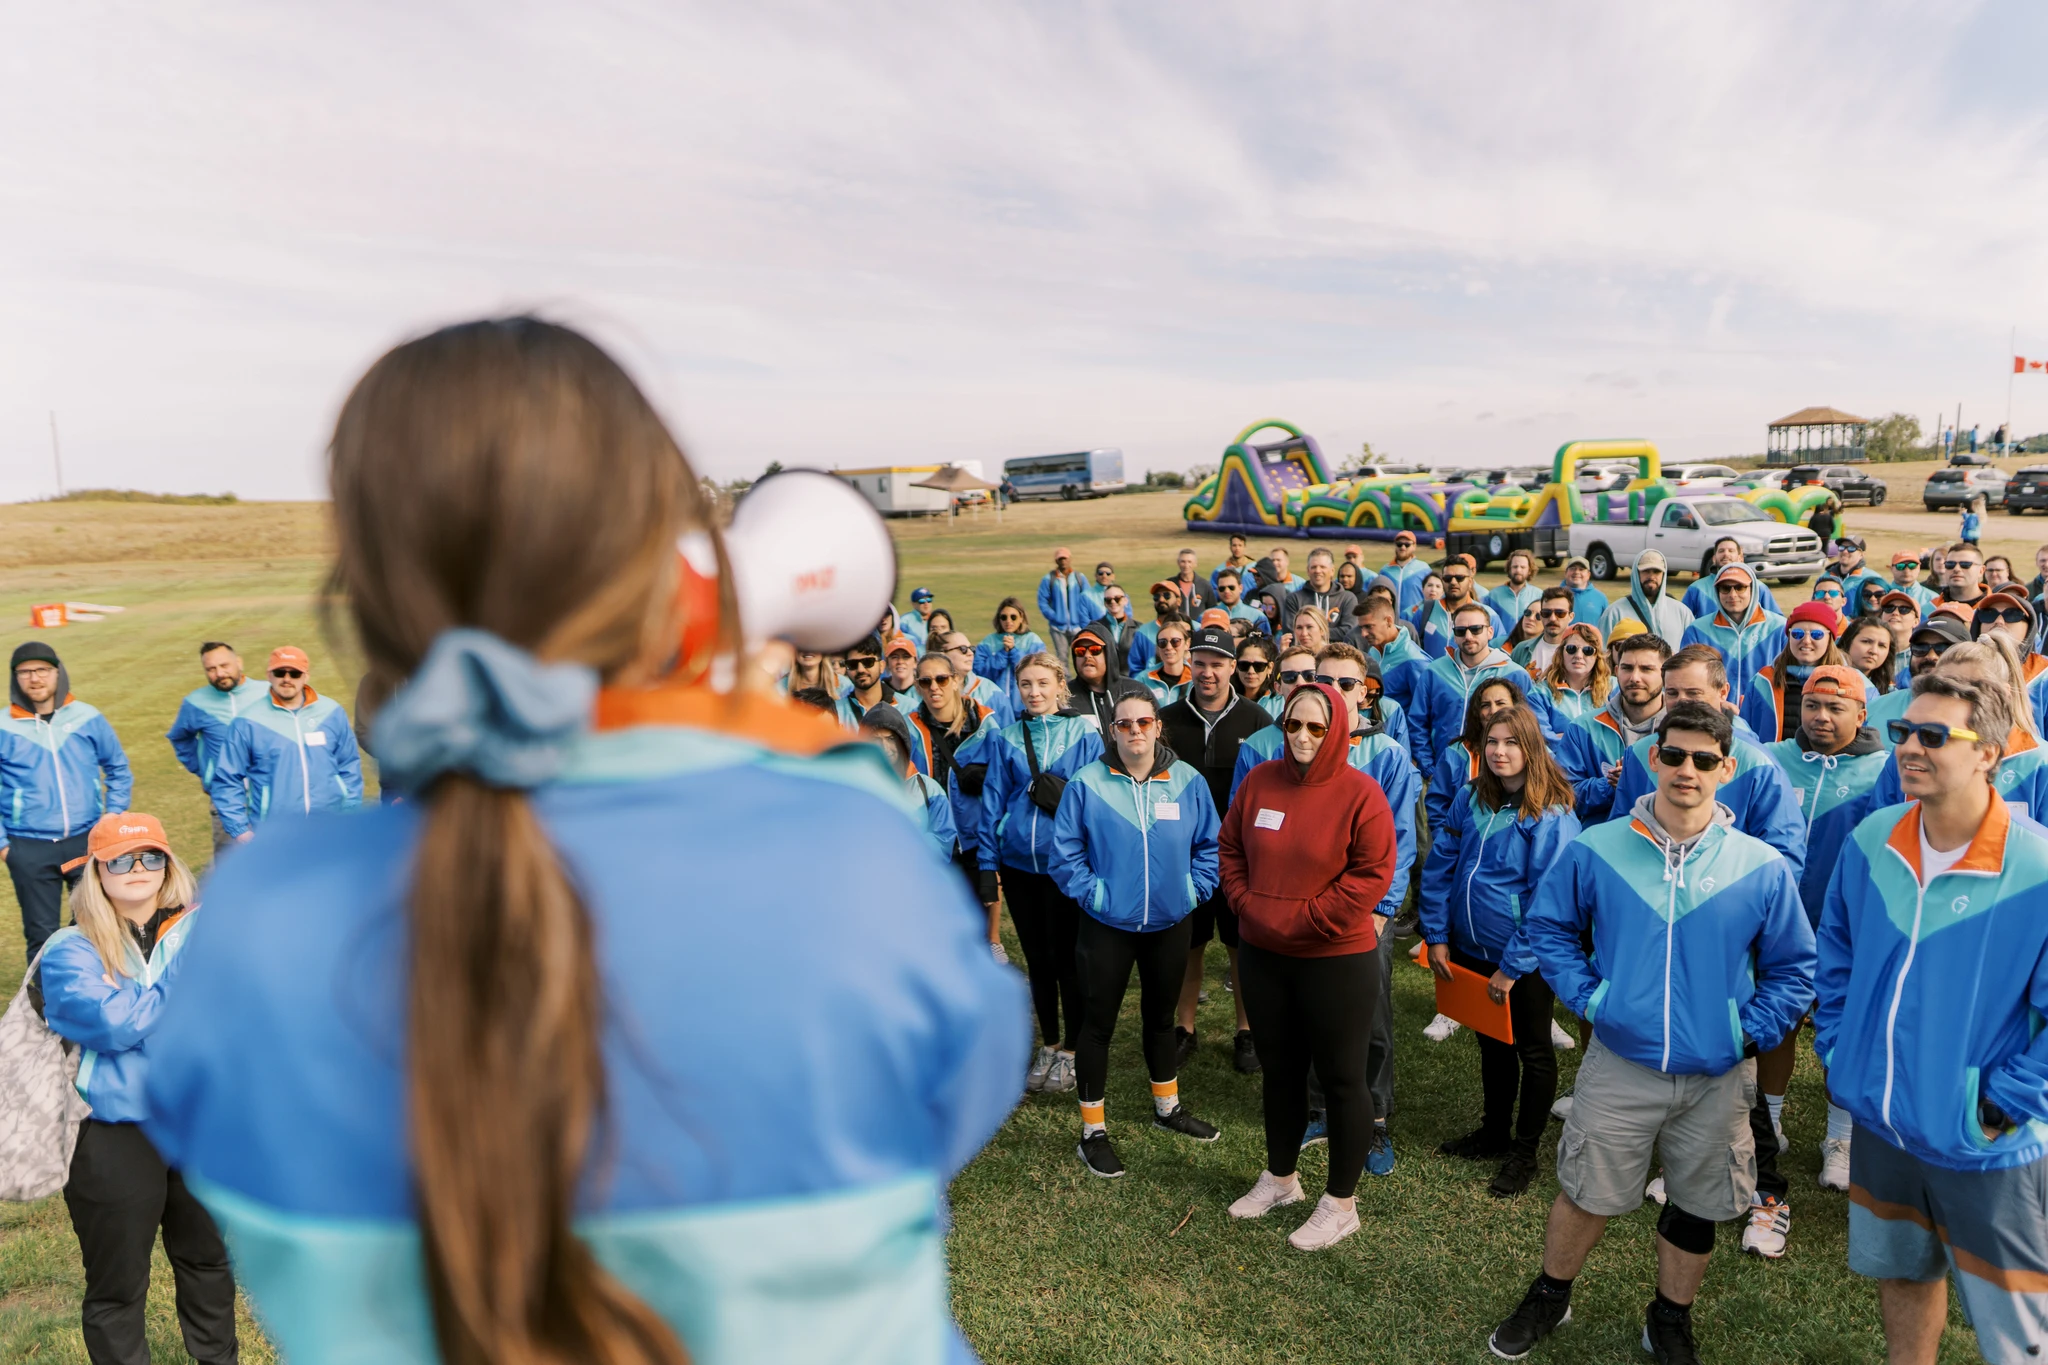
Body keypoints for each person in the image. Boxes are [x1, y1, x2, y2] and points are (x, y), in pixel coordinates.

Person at [142, 319, 1026, 1363]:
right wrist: (741, 730)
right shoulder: (851, 851)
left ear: (369, 583)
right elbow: (959, 1090)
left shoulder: (257, 920)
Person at [1490, 702, 1814, 1364]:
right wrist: (1591, 998)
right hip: (1621, 1061)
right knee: (1586, 1190)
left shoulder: (1761, 865)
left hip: (1717, 1072)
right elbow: (1550, 927)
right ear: (1653, 758)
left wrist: (1745, 1032)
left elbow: (1794, 967)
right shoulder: (1598, 846)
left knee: (1697, 1203)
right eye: (1673, 754)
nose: (1686, 769)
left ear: (1726, 768)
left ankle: (1669, 1317)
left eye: (1703, 758)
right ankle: (1551, 1295)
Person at [1814, 673, 2048, 1365]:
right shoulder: (1872, 838)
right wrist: (1842, 1049)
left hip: (1982, 1142)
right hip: (1882, 1124)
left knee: (2020, 1328)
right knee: (1904, 1274)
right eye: (1904, 731)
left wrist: (2000, 1105)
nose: (1909, 747)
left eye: (1933, 735)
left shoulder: (2037, 866)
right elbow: (1836, 954)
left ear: (1988, 754)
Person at [36, 813, 238, 1365]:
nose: (137, 868)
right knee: (119, 1284)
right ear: (97, 872)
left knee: (208, 1262)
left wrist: (136, 1007)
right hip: (113, 1131)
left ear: (168, 865)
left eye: (151, 856)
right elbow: (111, 1025)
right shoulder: (69, 947)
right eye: (121, 860)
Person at [1220, 682, 1397, 1250]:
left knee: (1343, 1079)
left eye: (1316, 728)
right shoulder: (1259, 781)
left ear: (1336, 730)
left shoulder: (1361, 793)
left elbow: (1372, 873)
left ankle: (1340, 1204)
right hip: (1264, 956)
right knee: (1280, 1071)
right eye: (1292, 724)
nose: (1301, 736)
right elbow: (1230, 849)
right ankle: (1281, 1180)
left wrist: (1306, 920)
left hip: (1334, 958)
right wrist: (1246, 904)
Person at [1050, 690, 1223, 1177]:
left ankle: (1167, 1109)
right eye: (1124, 724)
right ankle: (1092, 1132)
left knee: (1162, 1020)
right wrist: (1097, 896)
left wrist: (1191, 890)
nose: (1134, 731)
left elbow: (1211, 845)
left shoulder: (1187, 781)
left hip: (1170, 922)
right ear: (1113, 731)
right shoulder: (1087, 783)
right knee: (1097, 1026)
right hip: (1107, 925)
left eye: (1143, 722)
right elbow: (1065, 853)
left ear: (1157, 726)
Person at [1421, 705, 1580, 1198]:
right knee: (1492, 1042)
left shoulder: (1550, 813)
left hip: (1525, 958)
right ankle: (1494, 1132)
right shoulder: (1470, 797)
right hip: (1471, 947)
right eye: (1492, 741)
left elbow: (1550, 900)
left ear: (1531, 747)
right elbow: (1440, 866)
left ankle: (1524, 1152)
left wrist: (1512, 967)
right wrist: (1437, 935)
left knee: (1533, 1049)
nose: (1499, 751)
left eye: (1511, 742)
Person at [976, 654, 1103, 1096]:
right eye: (1026, 684)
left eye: (1042, 683)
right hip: (1018, 866)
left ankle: (1072, 1050)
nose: (1034, 692)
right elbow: (992, 803)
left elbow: (1095, 800)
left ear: (1060, 685)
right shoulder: (1006, 738)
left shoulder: (1084, 734)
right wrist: (988, 866)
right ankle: (1048, 1044)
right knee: (1038, 961)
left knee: (1068, 959)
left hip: (1064, 867)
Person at [1161, 627, 1273, 1072]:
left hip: (1239, 856)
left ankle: (1246, 1030)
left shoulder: (1257, 719)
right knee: (1188, 944)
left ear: (1232, 668)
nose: (1207, 672)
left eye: (1217, 664)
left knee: (1239, 945)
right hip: (1183, 855)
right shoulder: (1167, 718)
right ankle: (1184, 1027)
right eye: (1200, 663)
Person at [1611, 646, 1808, 882]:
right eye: (1672, 693)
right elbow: (1620, 830)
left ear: (1723, 692)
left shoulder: (1759, 763)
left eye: (1693, 693)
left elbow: (1783, 856)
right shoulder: (1640, 754)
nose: (1682, 702)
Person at [2, 642, 134, 962]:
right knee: (42, 936)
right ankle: (44, 995)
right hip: (28, 846)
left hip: (86, 839)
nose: (35, 678)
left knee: (97, 926)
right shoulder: (4, 726)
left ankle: (100, 988)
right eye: (25, 672)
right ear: (15, 678)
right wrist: (4, 846)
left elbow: (117, 767)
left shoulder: (87, 717)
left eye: (42, 670)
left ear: (57, 673)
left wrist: (113, 814)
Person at [208, 646, 364, 842]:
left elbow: (349, 765)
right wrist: (240, 830)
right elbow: (227, 779)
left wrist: (350, 810)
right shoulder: (247, 722)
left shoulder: (331, 713)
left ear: (306, 676)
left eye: (295, 673)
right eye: (280, 672)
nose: (287, 679)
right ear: (269, 675)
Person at [907, 650, 1001, 915]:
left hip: (975, 844)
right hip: (931, 842)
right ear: (917, 686)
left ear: (957, 680)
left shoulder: (985, 725)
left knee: (976, 923)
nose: (934, 687)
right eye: (925, 681)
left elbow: (1000, 790)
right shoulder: (910, 728)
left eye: (941, 679)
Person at [1409, 602, 1547, 779]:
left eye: (1476, 629)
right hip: (1444, 773)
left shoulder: (1514, 674)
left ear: (1490, 632)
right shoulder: (1434, 671)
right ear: (1454, 635)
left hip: (1499, 775)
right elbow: (1418, 722)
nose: (1468, 636)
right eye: (1461, 631)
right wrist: (1429, 768)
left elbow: (1530, 726)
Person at [1557, 631, 1670, 822]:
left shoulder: (1681, 732)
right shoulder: (1582, 728)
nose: (1635, 677)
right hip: (1601, 837)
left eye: (1646, 669)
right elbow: (1562, 794)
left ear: (1665, 674)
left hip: (1663, 837)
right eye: (1627, 668)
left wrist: (1641, 781)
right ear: (1616, 671)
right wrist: (1609, 785)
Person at [165, 641, 266, 851]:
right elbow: (180, 737)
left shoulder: (267, 693)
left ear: (239, 662)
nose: (219, 674)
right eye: (211, 669)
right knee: (230, 863)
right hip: (225, 800)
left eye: (224, 665)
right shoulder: (195, 703)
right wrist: (205, 771)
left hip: (269, 794)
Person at [1740, 601, 1856, 745]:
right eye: (1797, 634)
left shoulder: (1851, 684)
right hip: (1773, 758)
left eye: (1816, 635)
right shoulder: (1763, 682)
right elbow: (1744, 735)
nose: (1806, 641)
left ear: (1830, 639)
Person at [860, 704, 956, 862]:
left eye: (891, 738)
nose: (884, 747)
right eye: (875, 739)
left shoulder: (929, 789)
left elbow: (943, 840)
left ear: (903, 741)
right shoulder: (856, 787)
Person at [1679, 563, 1786, 697]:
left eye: (1740, 587)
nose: (1732, 594)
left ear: (1752, 589)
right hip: (1713, 709)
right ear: (1717, 591)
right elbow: (1685, 678)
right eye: (1725, 588)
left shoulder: (1780, 628)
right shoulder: (1697, 630)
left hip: (1766, 707)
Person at [1969, 588, 2048, 734]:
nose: (1999, 622)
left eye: (2012, 615)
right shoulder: (1960, 668)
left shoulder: (2044, 674)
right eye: (1989, 614)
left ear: (2029, 626)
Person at [1599, 549, 1693, 650]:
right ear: (1636, 573)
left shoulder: (1682, 613)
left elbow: (1693, 653)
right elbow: (1603, 653)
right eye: (1646, 571)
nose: (1651, 577)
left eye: (1657, 571)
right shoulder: (1614, 613)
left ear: (1663, 574)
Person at [1065, 625, 1150, 732]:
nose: (1087, 656)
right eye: (1080, 651)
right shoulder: (1065, 697)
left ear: (1109, 653)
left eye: (1095, 650)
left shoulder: (1137, 691)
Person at [974, 598, 1048, 711]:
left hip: (1025, 705)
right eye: (1004, 617)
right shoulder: (989, 641)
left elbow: (1037, 671)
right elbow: (979, 672)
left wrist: (1014, 651)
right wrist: (1002, 654)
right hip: (994, 706)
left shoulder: (1032, 640)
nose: (1008, 621)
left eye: (1013, 617)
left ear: (1021, 617)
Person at [1680, 538, 1782, 619]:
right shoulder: (1696, 588)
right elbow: (1682, 620)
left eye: (1731, 551)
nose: (1726, 554)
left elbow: (1777, 621)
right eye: (1721, 551)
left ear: (1740, 558)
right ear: (1714, 559)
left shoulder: (1758, 587)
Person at [1537, 622, 1611, 726]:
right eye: (1571, 649)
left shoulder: (1614, 688)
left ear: (1597, 656)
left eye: (1588, 650)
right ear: (1561, 653)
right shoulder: (1541, 692)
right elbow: (1540, 732)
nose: (1579, 656)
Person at [1284, 548, 1358, 643]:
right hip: (1304, 651)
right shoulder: (1294, 599)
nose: (1318, 571)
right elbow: (1291, 633)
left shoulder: (1347, 598)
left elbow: (1349, 631)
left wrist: (1316, 633)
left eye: (1322, 567)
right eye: (1313, 567)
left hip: (1338, 651)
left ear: (1332, 571)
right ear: (1308, 570)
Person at [939, 630, 1014, 724]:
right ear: (942, 654)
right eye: (963, 649)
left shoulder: (992, 693)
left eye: (972, 649)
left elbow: (1008, 731)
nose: (970, 653)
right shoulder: (927, 691)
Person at [1037, 548, 1092, 666]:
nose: (1063, 561)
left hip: (1078, 626)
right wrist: (1054, 616)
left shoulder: (1079, 578)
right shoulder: (1049, 579)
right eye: (1060, 559)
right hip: (1058, 627)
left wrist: (1083, 618)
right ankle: (1065, 678)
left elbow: (1088, 599)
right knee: (1062, 657)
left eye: (1065, 558)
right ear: (1056, 561)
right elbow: (1042, 601)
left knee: (1081, 655)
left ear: (1070, 559)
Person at [1125, 581, 1187, 677]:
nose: (1161, 599)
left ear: (1178, 600)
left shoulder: (1193, 627)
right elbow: (1135, 669)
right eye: (1156, 597)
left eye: (1167, 595)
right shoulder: (1143, 632)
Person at [1510, 587, 1576, 674]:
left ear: (1571, 617)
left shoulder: (1581, 653)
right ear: (1541, 616)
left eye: (1560, 613)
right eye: (1546, 613)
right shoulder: (1521, 650)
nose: (1552, 618)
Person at [1080, 585, 1138, 676]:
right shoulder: (1094, 628)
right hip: (1104, 679)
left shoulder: (1138, 628)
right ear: (1105, 603)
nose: (1113, 602)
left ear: (1125, 600)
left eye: (1117, 599)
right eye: (1108, 600)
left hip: (1132, 680)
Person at [1372, 530, 1431, 614]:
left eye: (1407, 545)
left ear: (1414, 546)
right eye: (1399, 544)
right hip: (1389, 618)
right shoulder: (1385, 571)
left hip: (1415, 618)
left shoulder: (1424, 569)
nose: (1403, 547)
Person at [1837, 615, 1897, 696]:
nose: (1874, 651)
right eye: (1866, 642)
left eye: (1881, 646)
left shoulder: (1890, 693)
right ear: (1848, 642)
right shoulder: (1825, 677)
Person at [1140, 617, 1194, 704]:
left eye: (1175, 641)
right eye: (1162, 642)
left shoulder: (1195, 679)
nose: (1169, 647)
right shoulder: (1143, 679)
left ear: (1187, 644)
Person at [1876, 591, 1924, 689]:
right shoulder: (1870, 650)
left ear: (1916, 622)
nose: (1895, 613)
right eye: (1889, 608)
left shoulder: (1923, 655)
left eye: (1904, 609)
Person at [1484, 549, 1542, 625]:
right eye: (1515, 566)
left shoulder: (1539, 595)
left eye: (1522, 567)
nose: (1518, 570)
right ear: (1509, 569)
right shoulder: (1493, 596)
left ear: (1529, 570)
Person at [1232, 636, 1278, 714]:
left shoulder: (1281, 703)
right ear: (1235, 666)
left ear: (1270, 667)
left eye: (1258, 666)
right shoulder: (1225, 700)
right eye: (1244, 665)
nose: (1251, 671)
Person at [1167, 547, 1217, 618]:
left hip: (1198, 625)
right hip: (1175, 624)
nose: (1186, 565)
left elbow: (1212, 610)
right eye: (1183, 561)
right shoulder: (1170, 584)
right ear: (1178, 563)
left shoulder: (1205, 585)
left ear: (1195, 564)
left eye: (1189, 562)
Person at [1941, 539, 1989, 609]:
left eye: (1965, 564)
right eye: (1950, 564)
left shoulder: (1997, 608)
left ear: (1981, 571)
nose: (1956, 569)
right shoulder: (1930, 609)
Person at [1562, 555, 1608, 625]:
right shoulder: (1554, 595)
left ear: (1588, 575)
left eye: (1581, 569)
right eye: (1572, 568)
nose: (1576, 572)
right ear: (1566, 573)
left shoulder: (1600, 598)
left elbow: (1606, 626)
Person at [1887, 551, 1936, 615]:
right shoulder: (1880, 595)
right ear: (1891, 569)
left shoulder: (1932, 599)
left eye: (1912, 566)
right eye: (1900, 566)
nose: (1906, 570)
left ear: (1919, 568)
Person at [881, 632, 921, 706]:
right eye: (894, 657)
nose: (900, 661)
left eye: (906, 657)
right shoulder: (880, 690)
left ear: (915, 662)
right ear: (887, 663)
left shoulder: (923, 689)